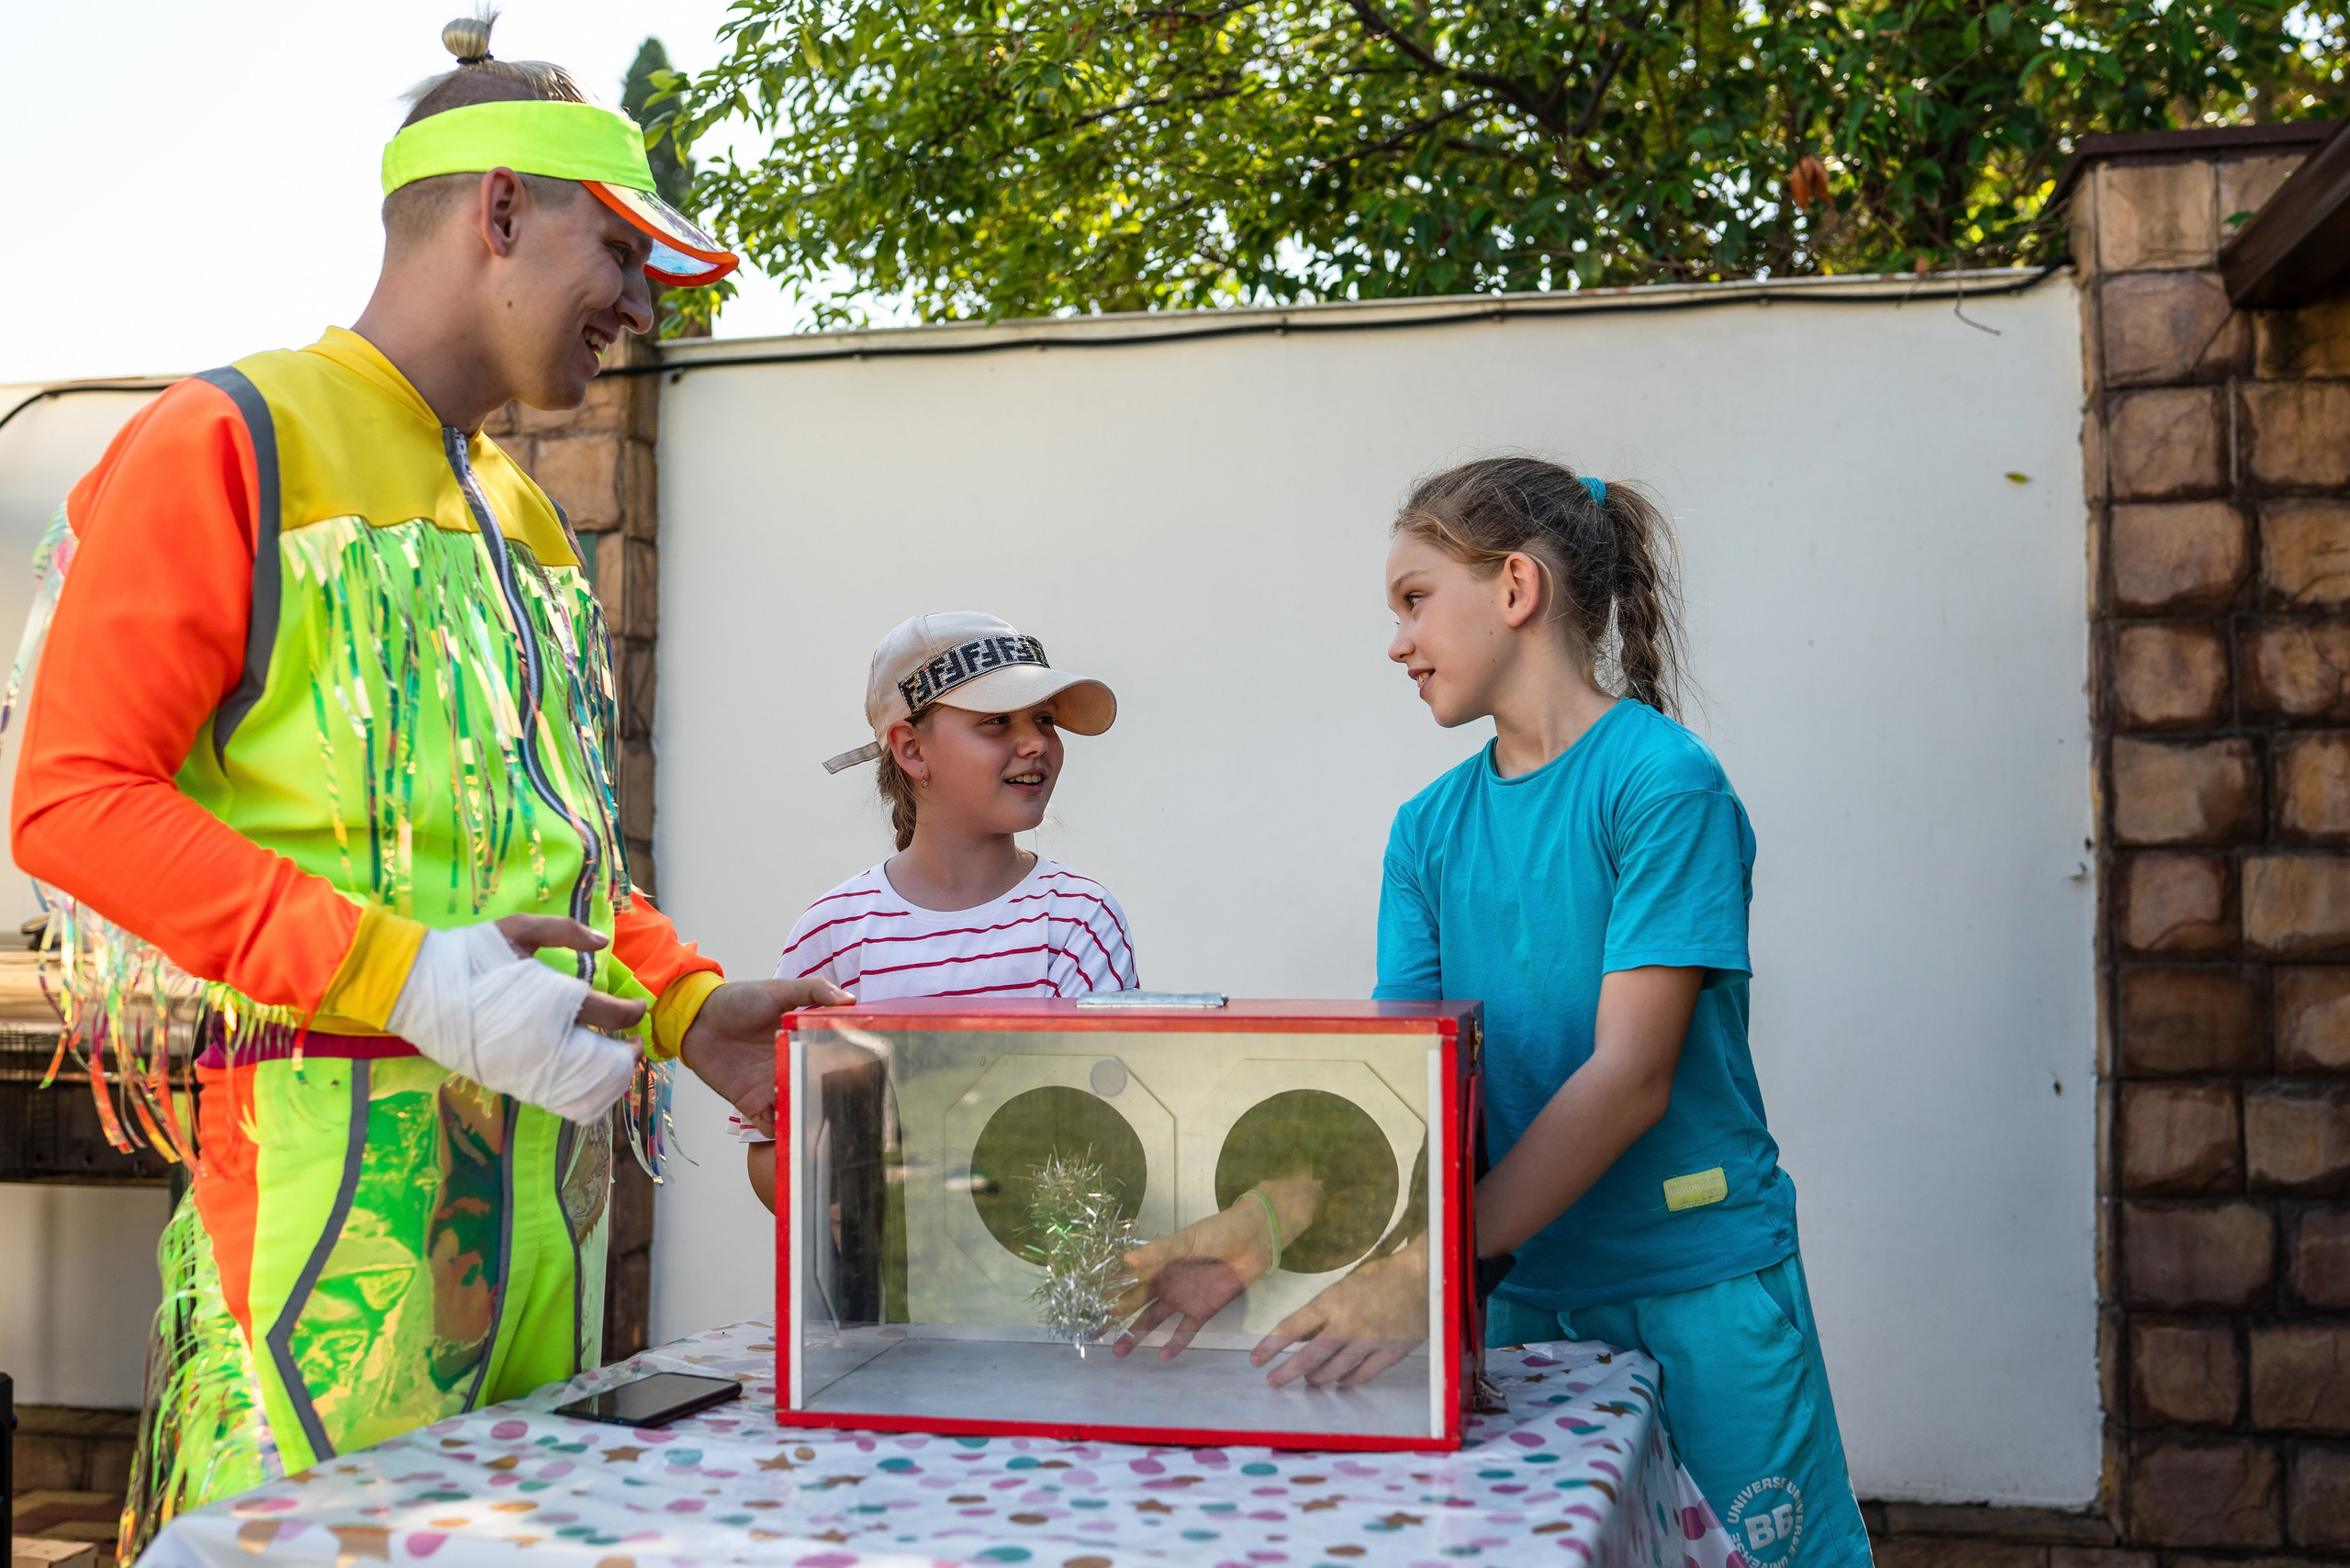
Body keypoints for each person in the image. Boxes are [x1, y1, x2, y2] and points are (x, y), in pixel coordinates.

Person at [7, 18, 845, 1554]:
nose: (636, 304)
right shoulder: (225, 438)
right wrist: (411, 978)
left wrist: (685, 1001)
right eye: (619, 249)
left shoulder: (527, 511)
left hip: (553, 1199)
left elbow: (547, 855)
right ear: (501, 209)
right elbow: (71, 799)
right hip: (332, 1190)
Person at [1373, 457, 1866, 1564]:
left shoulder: (1663, 782)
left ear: (1513, 588)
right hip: (1520, 1305)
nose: (1396, 642)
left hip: (1695, 1291)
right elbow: (1404, 1084)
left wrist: (1436, 1269)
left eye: (1413, 600)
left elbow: (1632, 1075)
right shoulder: (1424, 829)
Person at [743, 612, 1139, 1211]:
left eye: (1045, 719)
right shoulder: (834, 933)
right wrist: (866, 1228)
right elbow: (771, 1146)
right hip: (883, 1299)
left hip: (1038, 1290)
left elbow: (1113, 1127)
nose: (1034, 742)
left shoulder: (1079, 919)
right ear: (911, 749)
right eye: (997, 721)